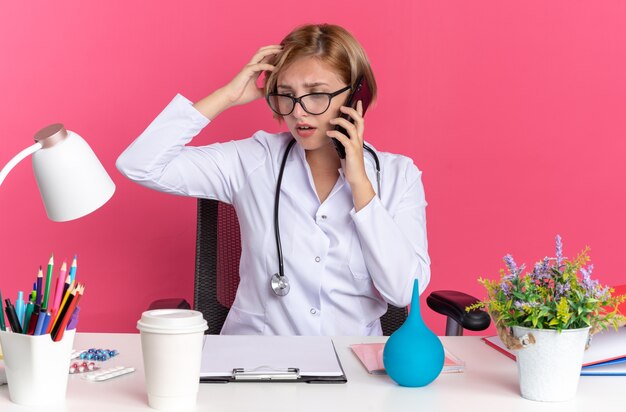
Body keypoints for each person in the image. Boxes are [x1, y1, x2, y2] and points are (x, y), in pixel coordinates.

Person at [116, 23, 430, 336]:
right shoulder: (253, 160)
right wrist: (227, 95)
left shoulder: (398, 176)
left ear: (355, 96)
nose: (298, 112)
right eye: (286, 95)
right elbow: (139, 164)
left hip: (351, 366)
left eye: (316, 94)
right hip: (254, 364)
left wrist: (361, 186)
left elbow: (404, 292)